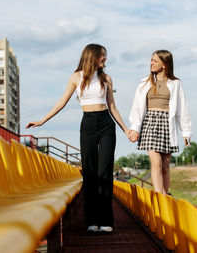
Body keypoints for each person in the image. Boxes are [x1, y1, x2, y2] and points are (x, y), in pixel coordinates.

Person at [26, 44, 130, 233]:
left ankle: (106, 221)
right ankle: (92, 221)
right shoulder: (76, 77)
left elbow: (112, 106)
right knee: (90, 174)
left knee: (104, 173)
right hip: (88, 124)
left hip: (106, 124)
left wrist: (126, 129)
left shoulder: (106, 78)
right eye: (102, 56)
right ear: (92, 56)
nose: (105, 59)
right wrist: (43, 120)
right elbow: (62, 101)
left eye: (105, 56)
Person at [128, 49, 192, 195]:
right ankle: (159, 196)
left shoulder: (176, 83)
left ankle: (165, 194)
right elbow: (137, 107)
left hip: (167, 124)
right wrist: (135, 128)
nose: (151, 63)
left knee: (165, 165)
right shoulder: (145, 82)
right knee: (156, 162)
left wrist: (186, 132)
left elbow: (183, 108)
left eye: (155, 61)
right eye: (151, 60)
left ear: (164, 64)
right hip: (150, 123)